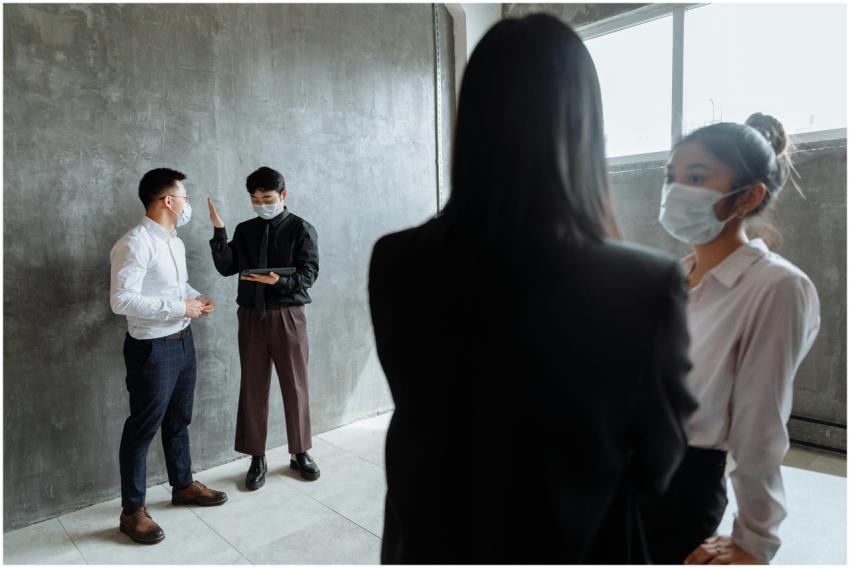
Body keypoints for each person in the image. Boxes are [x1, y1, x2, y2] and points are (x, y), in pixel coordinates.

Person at [368, 14, 698, 564]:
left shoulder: (397, 258)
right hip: (577, 542)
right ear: (586, 127)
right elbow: (659, 463)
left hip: (430, 537)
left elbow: (420, 403)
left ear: (469, 122)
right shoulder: (645, 282)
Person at [643, 113, 821, 564]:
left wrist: (753, 540)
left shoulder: (777, 287)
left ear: (749, 196)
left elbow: (760, 425)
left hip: (683, 486)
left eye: (696, 177)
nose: (675, 190)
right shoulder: (674, 277)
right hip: (630, 471)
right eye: (671, 177)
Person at [110, 168, 228, 545]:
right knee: (142, 428)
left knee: (179, 419)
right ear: (168, 201)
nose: (187, 203)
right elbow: (121, 300)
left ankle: (182, 485)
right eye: (185, 196)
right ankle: (132, 511)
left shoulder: (173, 241)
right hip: (152, 349)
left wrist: (195, 298)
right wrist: (179, 306)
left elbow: (174, 287)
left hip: (182, 340)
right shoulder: (134, 243)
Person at [208, 166, 320, 489]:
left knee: (295, 385)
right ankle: (257, 457)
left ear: (283, 195)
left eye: (267, 198)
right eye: (255, 199)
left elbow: (308, 275)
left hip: (288, 316)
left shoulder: (302, 229)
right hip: (251, 317)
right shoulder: (245, 230)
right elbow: (228, 267)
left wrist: (279, 281)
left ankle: (300, 453)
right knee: (253, 388)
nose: (261, 203)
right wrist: (219, 232)